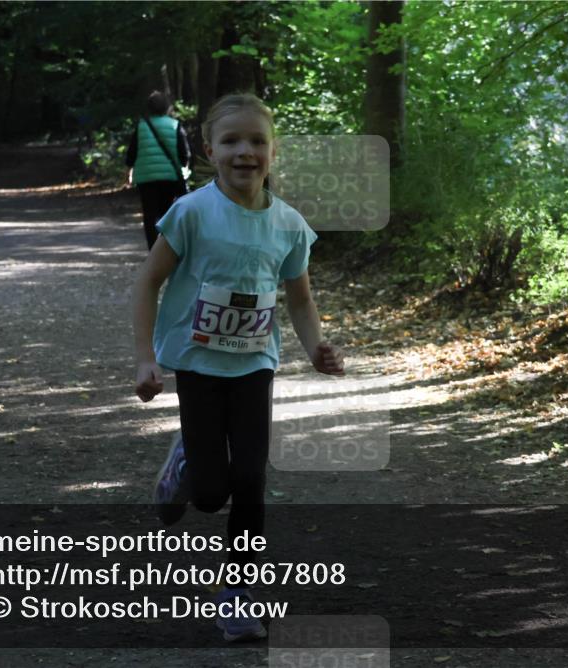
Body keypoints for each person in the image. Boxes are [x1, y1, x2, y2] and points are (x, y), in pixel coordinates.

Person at [132, 94, 345, 642]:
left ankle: (238, 593)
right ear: (209, 151)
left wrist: (316, 348)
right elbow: (148, 282)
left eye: (256, 141)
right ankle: (185, 463)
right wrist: (145, 358)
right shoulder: (191, 213)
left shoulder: (289, 225)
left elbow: (300, 299)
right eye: (230, 141)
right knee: (209, 494)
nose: (244, 151)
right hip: (198, 364)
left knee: (250, 479)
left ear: (274, 151)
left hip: (254, 365)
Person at [125, 90, 190, 250]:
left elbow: (132, 153)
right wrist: (184, 166)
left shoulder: (141, 126)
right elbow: (184, 154)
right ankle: (167, 249)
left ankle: (153, 251)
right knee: (167, 213)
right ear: (167, 107)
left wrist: (130, 167)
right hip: (169, 177)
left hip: (146, 178)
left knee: (149, 215)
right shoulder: (175, 125)